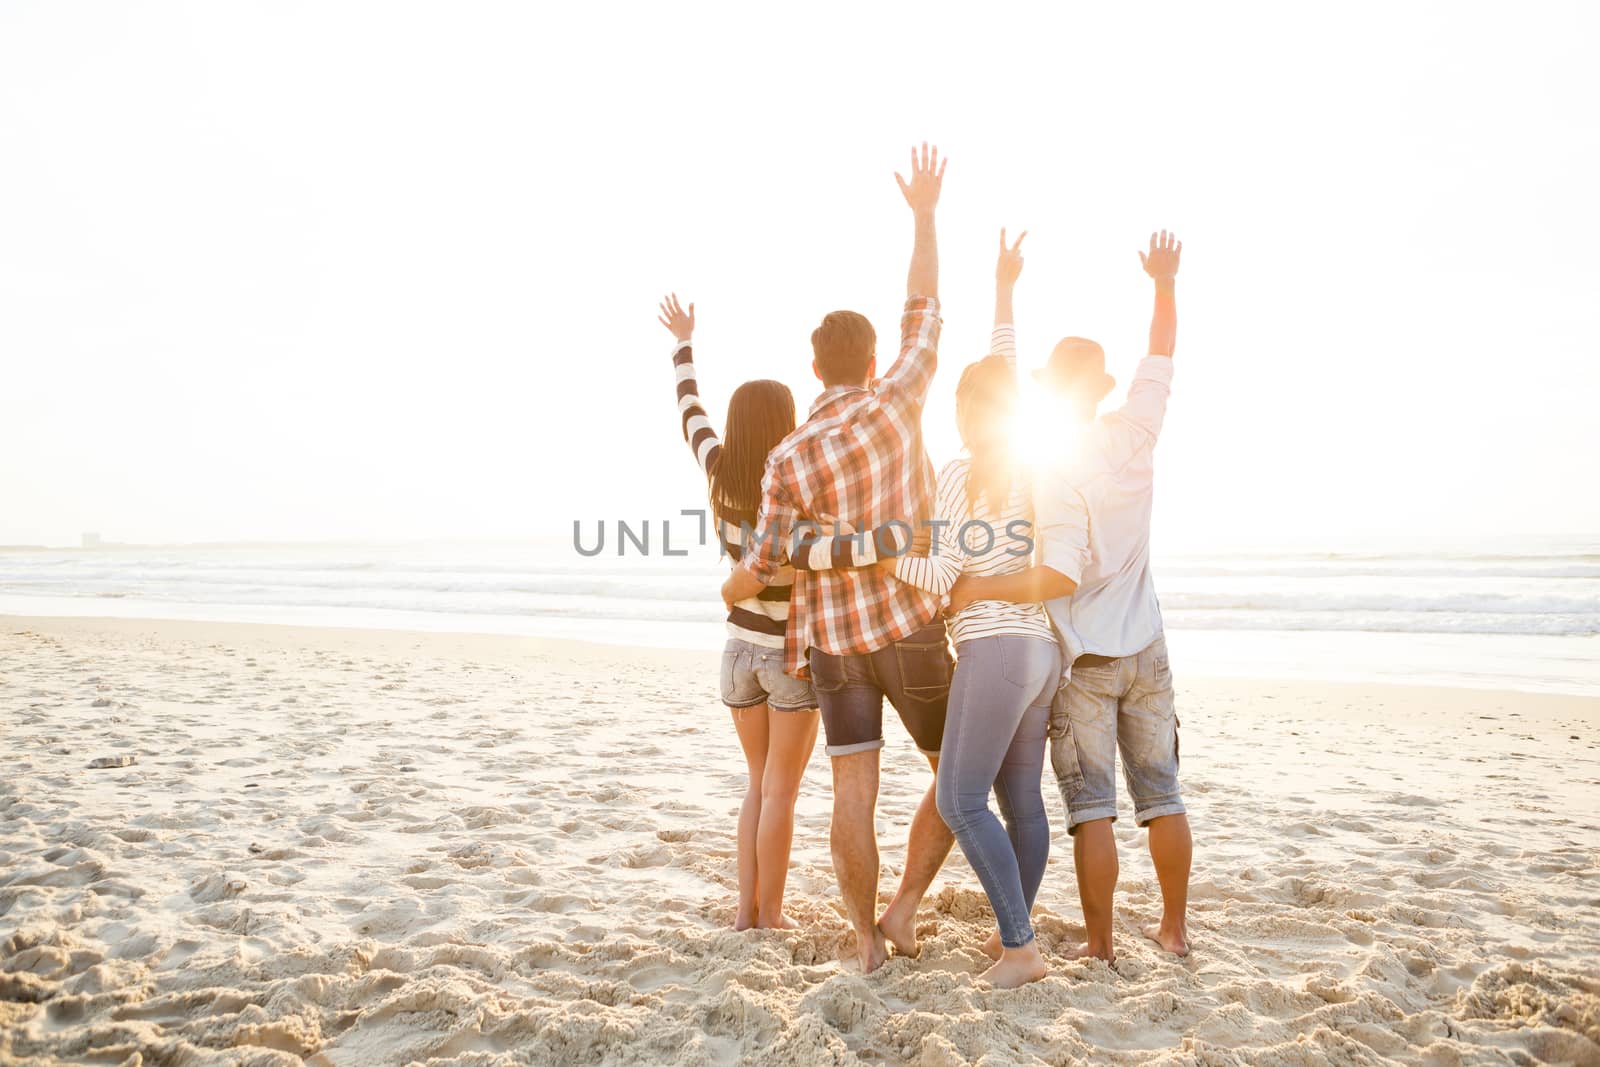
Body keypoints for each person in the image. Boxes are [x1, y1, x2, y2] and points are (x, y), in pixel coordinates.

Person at [721, 144, 955, 973]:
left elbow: (769, 557)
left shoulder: (786, 457)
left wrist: (822, 553)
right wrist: (923, 213)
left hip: (832, 649)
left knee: (853, 793)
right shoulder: (900, 399)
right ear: (869, 361)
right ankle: (902, 909)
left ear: (813, 367)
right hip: (912, 628)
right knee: (955, 774)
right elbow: (924, 305)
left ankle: (864, 940)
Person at [949, 230, 1192, 962]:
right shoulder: (1138, 431)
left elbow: (1000, 377)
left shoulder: (1049, 461)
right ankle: (1176, 930)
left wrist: (1004, 287)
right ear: (1106, 387)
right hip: (1146, 640)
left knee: (1093, 811)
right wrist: (1163, 283)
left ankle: (1100, 943)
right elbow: (1163, 356)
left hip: (1080, 654)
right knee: (1164, 795)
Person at [880, 229, 1084, 987]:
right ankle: (1014, 934)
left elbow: (938, 574)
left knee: (962, 798)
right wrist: (1005, 289)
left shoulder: (962, 474)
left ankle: (1021, 946)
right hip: (1038, 656)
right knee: (1020, 800)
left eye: (966, 402)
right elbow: (1004, 368)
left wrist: (877, 549)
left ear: (970, 410)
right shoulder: (1030, 462)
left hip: (995, 648)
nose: (962, 412)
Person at [659, 293, 890, 931]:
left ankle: (744, 912)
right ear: (788, 417)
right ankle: (772, 912)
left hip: (736, 650)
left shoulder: (720, 467)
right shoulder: (795, 475)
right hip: (789, 654)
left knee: (757, 783)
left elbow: (689, 412)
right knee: (781, 790)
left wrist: (683, 345)